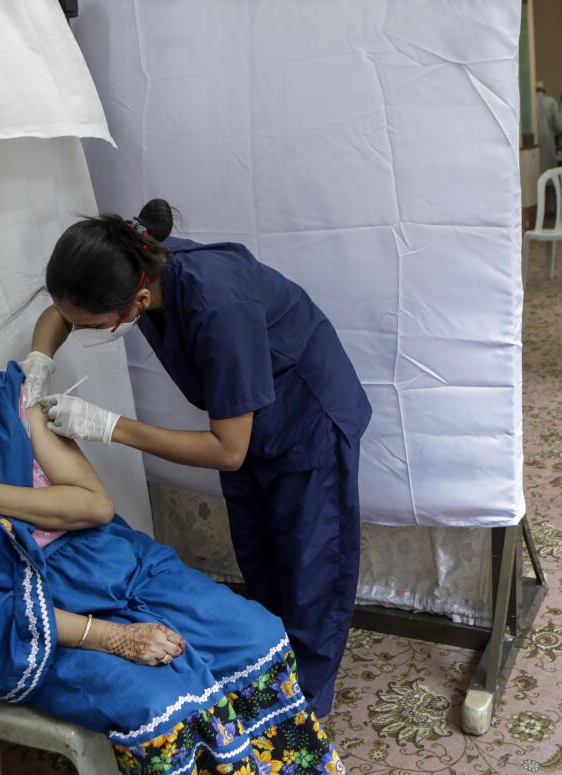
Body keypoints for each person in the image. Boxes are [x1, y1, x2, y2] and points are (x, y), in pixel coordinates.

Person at [0, 335, 344, 774]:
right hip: (34, 623)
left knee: (253, 635)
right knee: (161, 698)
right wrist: (114, 637)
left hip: (106, 562)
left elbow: (94, 507)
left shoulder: (9, 411)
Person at [22, 201, 371, 719]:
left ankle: (307, 710)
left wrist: (109, 426)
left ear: (137, 300)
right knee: (260, 557)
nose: (81, 329)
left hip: (308, 422)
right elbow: (62, 312)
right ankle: (270, 671)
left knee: (310, 574)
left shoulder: (215, 303)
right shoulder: (127, 265)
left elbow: (228, 451)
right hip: (250, 419)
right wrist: (39, 361)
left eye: (92, 326)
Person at [535, 81, 561, 178]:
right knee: (548, 174)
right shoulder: (551, 101)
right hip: (548, 142)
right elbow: (559, 126)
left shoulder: (528, 101)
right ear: (544, 90)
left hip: (532, 143)